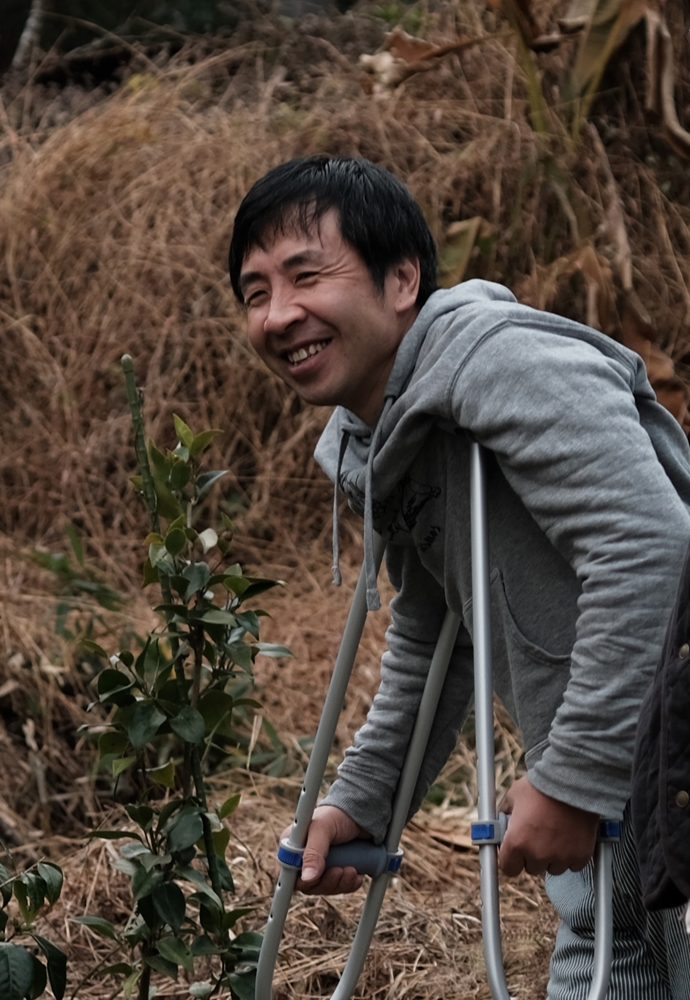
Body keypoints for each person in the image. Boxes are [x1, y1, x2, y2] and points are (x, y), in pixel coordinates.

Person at [228, 154, 690, 998]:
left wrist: (569, 780)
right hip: (612, 823)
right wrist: (365, 801)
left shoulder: (503, 359)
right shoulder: (387, 437)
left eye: (306, 276)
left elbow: (651, 545)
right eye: (255, 292)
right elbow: (435, 631)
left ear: (402, 279)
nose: (278, 314)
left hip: (660, 780)